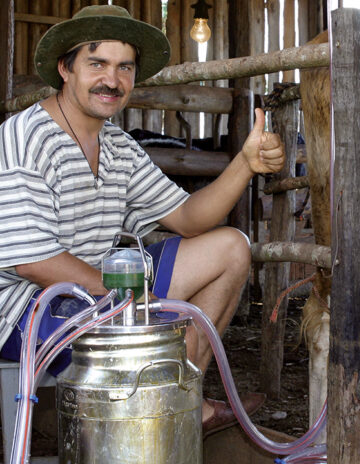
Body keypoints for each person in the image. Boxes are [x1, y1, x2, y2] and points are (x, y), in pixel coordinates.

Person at [0, 5, 283, 437]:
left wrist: (245, 164)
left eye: (124, 67)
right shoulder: (26, 138)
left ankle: (177, 407)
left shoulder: (119, 147)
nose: (112, 80)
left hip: (99, 291)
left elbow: (190, 219)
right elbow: (34, 263)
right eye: (97, 64)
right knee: (151, 337)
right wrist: (131, 298)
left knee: (230, 247)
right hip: (26, 306)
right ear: (65, 69)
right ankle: (168, 416)